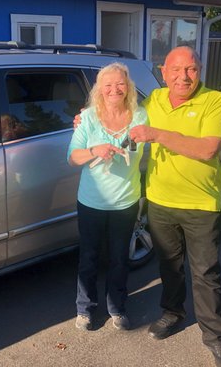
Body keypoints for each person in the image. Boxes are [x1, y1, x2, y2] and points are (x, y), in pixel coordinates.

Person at [128, 46, 221, 367]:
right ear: (164, 72)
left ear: (199, 70)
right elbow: (120, 115)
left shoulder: (216, 101)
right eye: (175, 70)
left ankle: (216, 337)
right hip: (160, 201)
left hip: (201, 203)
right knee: (169, 266)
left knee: (205, 272)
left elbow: (207, 149)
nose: (182, 77)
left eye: (190, 69)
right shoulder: (155, 100)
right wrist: (85, 117)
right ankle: (173, 313)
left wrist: (158, 133)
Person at [67, 62, 147, 332]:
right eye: (108, 85)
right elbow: (73, 157)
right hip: (91, 201)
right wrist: (95, 150)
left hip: (125, 200)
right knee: (88, 257)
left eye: (120, 84)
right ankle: (85, 308)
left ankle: (117, 306)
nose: (114, 89)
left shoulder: (141, 116)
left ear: (128, 87)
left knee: (118, 258)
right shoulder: (88, 117)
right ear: (100, 90)